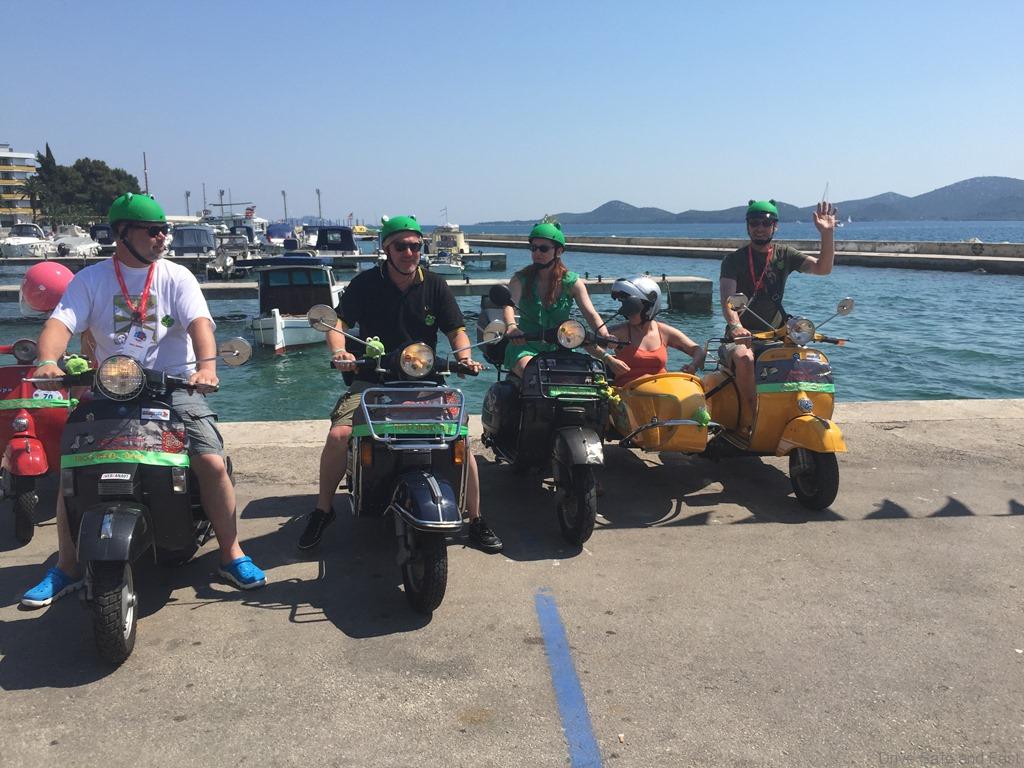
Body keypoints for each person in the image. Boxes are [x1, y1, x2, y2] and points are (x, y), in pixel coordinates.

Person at [21, 193, 266, 607]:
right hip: (109, 387)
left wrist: (207, 368)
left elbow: (200, 324)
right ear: (122, 233)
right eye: (153, 231)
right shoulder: (91, 280)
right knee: (74, 465)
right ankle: (67, 565)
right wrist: (47, 360)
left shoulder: (176, 277)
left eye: (164, 230)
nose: (162, 238)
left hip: (173, 387)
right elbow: (60, 324)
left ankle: (231, 552)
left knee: (209, 459)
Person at [301, 215, 503, 553]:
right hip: (372, 381)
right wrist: (340, 353)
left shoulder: (435, 285)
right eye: (401, 246)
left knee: (461, 439)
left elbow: (456, 330)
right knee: (339, 435)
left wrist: (464, 357)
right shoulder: (365, 283)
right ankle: (323, 510)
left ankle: (476, 517)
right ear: (386, 249)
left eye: (415, 245)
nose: (409, 252)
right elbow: (339, 324)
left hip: (426, 382)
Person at [718, 199, 837, 431]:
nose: (760, 228)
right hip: (741, 337)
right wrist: (736, 326)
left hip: (776, 335)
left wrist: (827, 233)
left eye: (766, 223)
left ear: (775, 226)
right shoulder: (733, 260)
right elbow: (728, 301)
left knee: (806, 360)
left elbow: (823, 268)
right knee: (744, 358)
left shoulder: (784, 254)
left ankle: (802, 410)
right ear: (747, 226)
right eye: (754, 223)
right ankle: (750, 418)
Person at [502, 222, 606, 376]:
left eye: (543, 248)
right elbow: (509, 305)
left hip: (561, 346)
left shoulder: (572, 283)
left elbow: (590, 314)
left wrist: (605, 335)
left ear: (558, 251)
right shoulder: (520, 279)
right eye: (533, 248)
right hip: (526, 345)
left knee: (583, 377)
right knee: (531, 372)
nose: (537, 253)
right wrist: (512, 327)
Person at [599, 276, 705, 387]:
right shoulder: (620, 332)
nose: (629, 313)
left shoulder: (664, 332)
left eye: (634, 308)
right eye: (626, 307)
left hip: (661, 391)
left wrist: (693, 366)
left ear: (648, 307)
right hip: (628, 393)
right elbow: (589, 342)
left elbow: (698, 350)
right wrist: (608, 358)